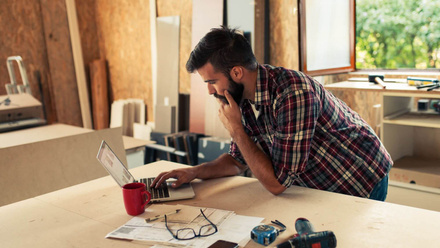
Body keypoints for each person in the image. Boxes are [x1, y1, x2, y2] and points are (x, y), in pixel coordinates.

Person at [152, 26, 393, 201]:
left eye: (212, 81)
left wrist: (236, 129)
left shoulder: (293, 93)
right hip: (317, 182)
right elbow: (238, 161)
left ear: (236, 73)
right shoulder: (240, 97)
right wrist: (194, 172)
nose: (209, 91)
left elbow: (277, 184)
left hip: (359, 176)